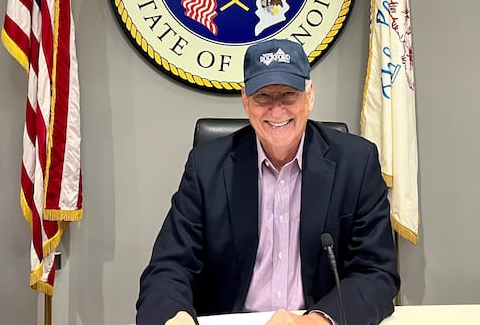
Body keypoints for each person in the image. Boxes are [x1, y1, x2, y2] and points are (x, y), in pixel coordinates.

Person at [135, 38, 399, 325]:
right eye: (263, 96)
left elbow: (376, 272)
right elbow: (168, 266)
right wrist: (175, 318)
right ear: (245, 101)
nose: (277, 109)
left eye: (288, 94)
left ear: (309, 96)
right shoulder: (207, 167)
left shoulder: (356, 163)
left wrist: (317, 321)